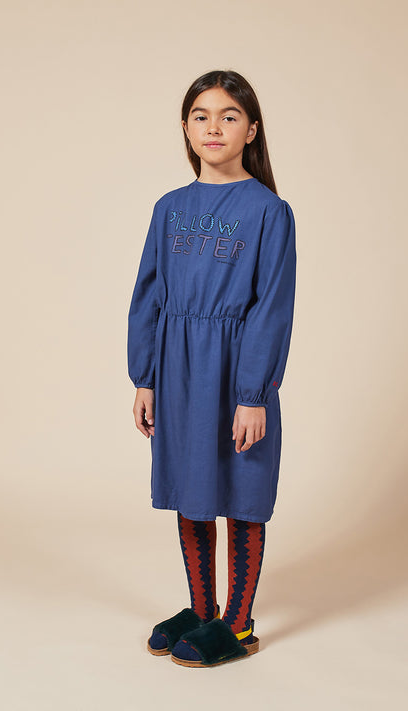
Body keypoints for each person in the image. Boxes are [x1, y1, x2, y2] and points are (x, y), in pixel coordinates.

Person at [127, 69, 297, 668]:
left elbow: (271, 307)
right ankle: (203, 612)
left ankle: (239, 623)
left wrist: (254, 393)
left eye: (229, 115)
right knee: (192, 486)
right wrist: (145, 376)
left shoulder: (269, 212)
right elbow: (148, 294)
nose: (214, 127)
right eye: (201, 116)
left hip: (236, 369)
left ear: (251, 130)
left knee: (242, 488)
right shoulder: (169, 208)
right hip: (178, 369)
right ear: (185, 128)